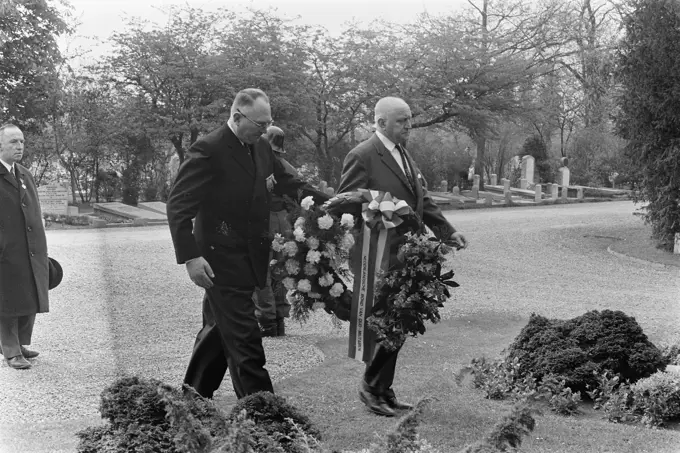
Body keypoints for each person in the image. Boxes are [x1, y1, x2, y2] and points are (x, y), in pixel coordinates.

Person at [166, 88, 328, 399]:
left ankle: (192, 399)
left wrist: (333, 203)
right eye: (259, 124)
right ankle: (265, 416)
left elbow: (289, 183)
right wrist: (191, 257)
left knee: (218, 332)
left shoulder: (262, 146)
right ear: (238, 117)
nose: (266, 130)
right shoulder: (209, 149)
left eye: (269, 123)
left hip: (250, 256)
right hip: (218, 260)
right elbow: (178, 205)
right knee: (245, 339)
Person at [337, 96, 468, 417]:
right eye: (402, 120)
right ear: (381, 123)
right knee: (389, 321)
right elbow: (346, 203)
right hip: (377, 253)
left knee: (402, 319)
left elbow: (422, 199)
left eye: (409, 119)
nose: (408, 125)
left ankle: (383, 388)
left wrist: (447, 232)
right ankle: (370, 386)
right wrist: (378, 206)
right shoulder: (363, 155)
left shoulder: (403, 154)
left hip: (409, 253)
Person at [0, 124, 49, 370]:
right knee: (7, 300)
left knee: (29, 296)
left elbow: (35, 211)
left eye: (21, 142)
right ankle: (10, 350)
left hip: (30, 248)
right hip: (6, 250)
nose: (19, 146)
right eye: (13, 142)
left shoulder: (25, 174)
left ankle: (21, 344)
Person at [252, 126, 294, 337]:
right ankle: (279, 318)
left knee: (262, 271)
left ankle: (266, 320)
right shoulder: (289, 167)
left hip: (266, 220)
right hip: (285, 221)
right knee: (281, 270)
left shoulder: (261, 166)